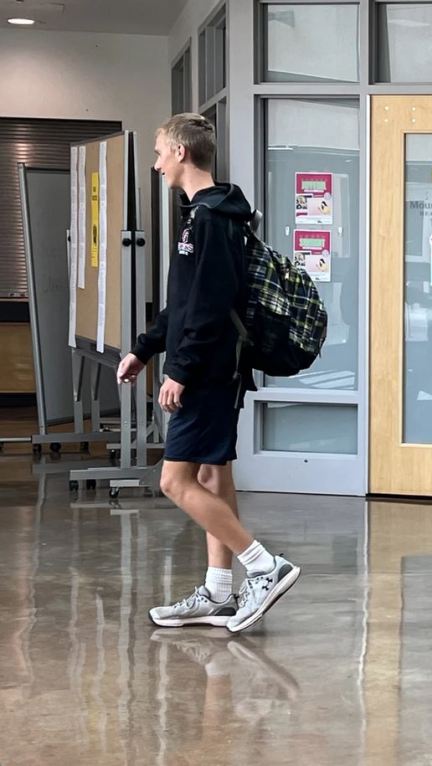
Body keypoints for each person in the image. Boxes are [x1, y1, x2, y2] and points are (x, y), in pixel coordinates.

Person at [117, 113, 301, 633]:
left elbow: (211, 303)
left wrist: (181, 369)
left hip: (210, 370)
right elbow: (184, 302)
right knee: (210, 474)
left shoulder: (214, 220)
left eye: (158, 153)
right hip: (211, 365)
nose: (155, 164)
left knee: (174, 480)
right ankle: (220, 593)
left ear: (180, 152)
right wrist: (146, 349)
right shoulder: (205, 215)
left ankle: (265, 567)